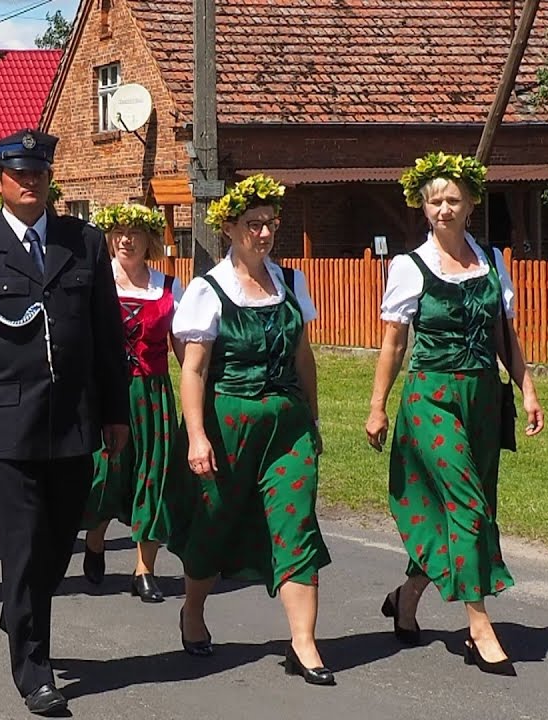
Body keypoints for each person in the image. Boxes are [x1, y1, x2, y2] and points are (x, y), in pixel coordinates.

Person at [0, 130, 129, 715]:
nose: (30, 182)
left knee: (58, 542)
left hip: (73, 419)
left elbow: (106, 335)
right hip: (5, 425)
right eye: (18, 174)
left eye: (39, 174)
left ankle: (17, 608)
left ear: (50, 179)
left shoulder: (84, 243)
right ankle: (35, 669)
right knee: (22, 546)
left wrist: (116, 411)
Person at [366, 152, 546, 676]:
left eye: (452, 200)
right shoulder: (409, 267)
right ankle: (479, 625)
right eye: (433, 201)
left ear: (470, 204)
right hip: (432, 399)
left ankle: (407, 596)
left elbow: (503, 335)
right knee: (466, 504)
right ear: (422, 208)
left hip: (484, 399)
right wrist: (377, 407)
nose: (442, 209)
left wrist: (528, 389)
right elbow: (393, 344)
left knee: (469, 506)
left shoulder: (492, 260)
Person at [170, 174, 333, 685]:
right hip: (228, 425)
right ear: (230, 229)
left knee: (296, 522)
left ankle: (304, 643)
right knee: (215, 522)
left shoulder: (291, 283)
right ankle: (193, 610)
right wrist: (197, 436)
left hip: (286, 426)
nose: (263, 233)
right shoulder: (207, 290)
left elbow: (303, 356)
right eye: (252, 224)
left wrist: (313, 415)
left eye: (269, 224)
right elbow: (193, 370)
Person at [79, 204, 184, 604]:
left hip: (152, 394)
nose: (127, 240)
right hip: (106, 390)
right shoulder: (94, 281)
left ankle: (144, 569)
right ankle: (95, 537)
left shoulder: (169, 287)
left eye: (136, 233)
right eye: (120, 232)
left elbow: (182, 350)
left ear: (150, 241)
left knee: (152, 476)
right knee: (105, 474)